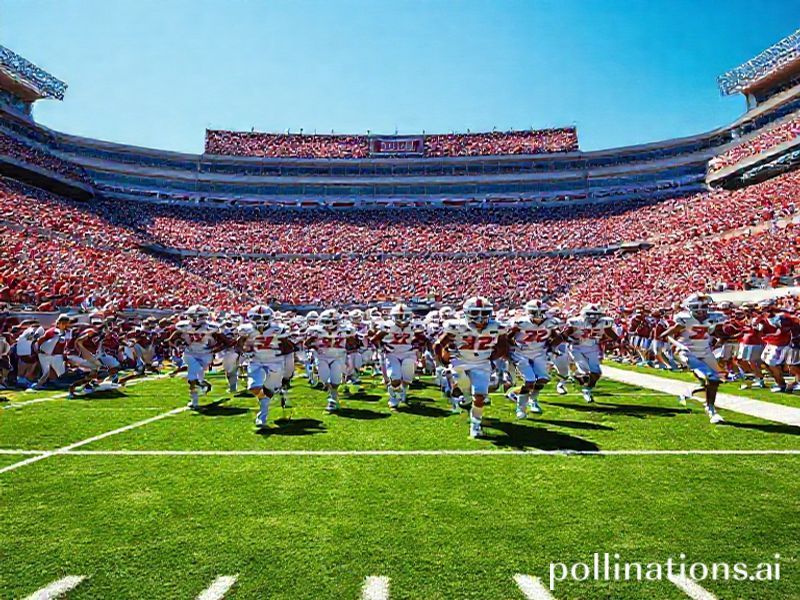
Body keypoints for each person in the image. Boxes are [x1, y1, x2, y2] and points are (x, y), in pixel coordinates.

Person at [434, 297, 508, 439]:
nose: (480, 317)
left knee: (479, 397)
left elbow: (503, 347)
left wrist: (491, 359)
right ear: (467, 312)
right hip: (460, 361)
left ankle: (475, 425)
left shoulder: (497, 327)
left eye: (484, 313)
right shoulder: (457, 326)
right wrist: (442, 361)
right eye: (475, 312)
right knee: (463, 384)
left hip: (481, 363)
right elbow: (438, 345)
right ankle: (463, 394)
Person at [660, 293, 727, 424]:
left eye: (705, 307)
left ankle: (688, 393)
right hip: (688, 352)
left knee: (718, 380)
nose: (702, 311)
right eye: (698, 307)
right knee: (710, 378)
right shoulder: (685, 319)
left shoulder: (714, 318)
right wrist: (671, 340)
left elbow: (717, 332)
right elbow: (668, 334)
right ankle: (711, 410)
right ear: (691, 308)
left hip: (706, 351)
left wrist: (722, 336)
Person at [237, 305, 293, 429]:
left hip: (275, 361)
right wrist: (244, 352)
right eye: (257, 318)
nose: (260, 321)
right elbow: (239, 343)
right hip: (256, 360)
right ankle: (269, 398)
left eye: (264, 317)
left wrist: (288, 361)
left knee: (268, 389)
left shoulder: (278, 329)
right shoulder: (246, 330)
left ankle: (262, 417)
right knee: (253, 388)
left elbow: (288, 346)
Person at [507, 299, 562, 419]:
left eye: (541, 312)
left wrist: (551, 346)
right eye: (535, 312)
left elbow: (557, 336)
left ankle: (533, 400)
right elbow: (507, 337)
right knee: (529, 380)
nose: (538, 315)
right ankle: (520, 408)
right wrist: (513, 347)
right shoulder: (520, 322)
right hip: (522, 353)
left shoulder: (550, 323)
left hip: (539, 353)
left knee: (543, 379)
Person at [370, 303, 427, 410]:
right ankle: (393, 398)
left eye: (404, 316)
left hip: (409, 353)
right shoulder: (387, 326)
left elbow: (424, 340)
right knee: (395, 377)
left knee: (407, 377)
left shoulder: (415, 326)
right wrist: (380, 346)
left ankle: (403, 391)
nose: (401, 319)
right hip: (392, 353)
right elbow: (375, 339)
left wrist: (420, 348)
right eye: (398, 316)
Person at [563, 304, 618, 403]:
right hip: (577, 348)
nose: (593, 317)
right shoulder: (577, 322)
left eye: (596, 314)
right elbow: (565, 334)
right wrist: (570, 339)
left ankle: (587, 389)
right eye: (590, 314)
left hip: (592, 348)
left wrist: (618, 340)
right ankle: (577, 377)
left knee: (596, 373)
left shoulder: (603, 322)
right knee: (585, 373)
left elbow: (610, 332)